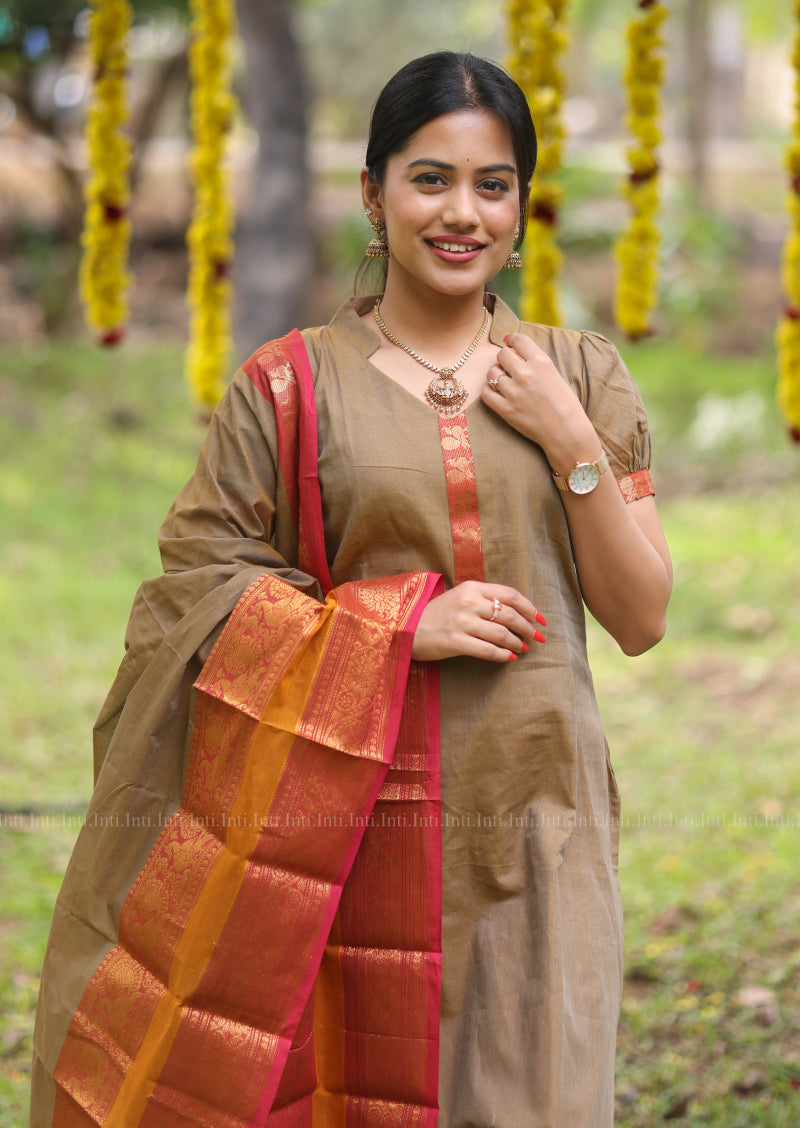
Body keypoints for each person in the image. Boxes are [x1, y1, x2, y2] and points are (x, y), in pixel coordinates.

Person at [31, 50, 672, 1128]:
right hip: (347, 827)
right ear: (374, 194)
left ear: (522, 202)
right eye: (430, 179)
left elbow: (641, 617)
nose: (462, 212)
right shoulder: (289, 383)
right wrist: (394, 626)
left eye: (492, 184)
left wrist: (570, 442)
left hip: (539, 818)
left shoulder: (581, 373)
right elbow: (197, 588)